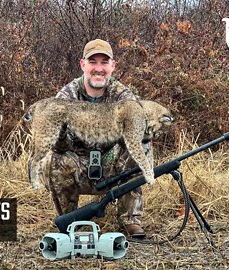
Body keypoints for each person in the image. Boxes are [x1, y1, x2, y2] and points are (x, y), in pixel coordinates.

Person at [39, 39, 151, 237]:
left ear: (112, 66)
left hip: (111, 168)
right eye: (93, 62)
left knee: (138, 149)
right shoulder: (67, 95)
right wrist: (61, 133)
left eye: (104, 62)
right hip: (79, 165)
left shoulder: (123, 96)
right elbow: (57, 145)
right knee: (52, 160)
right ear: (83, 65)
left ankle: (129, 220)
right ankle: (70, 218)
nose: (98, 68)